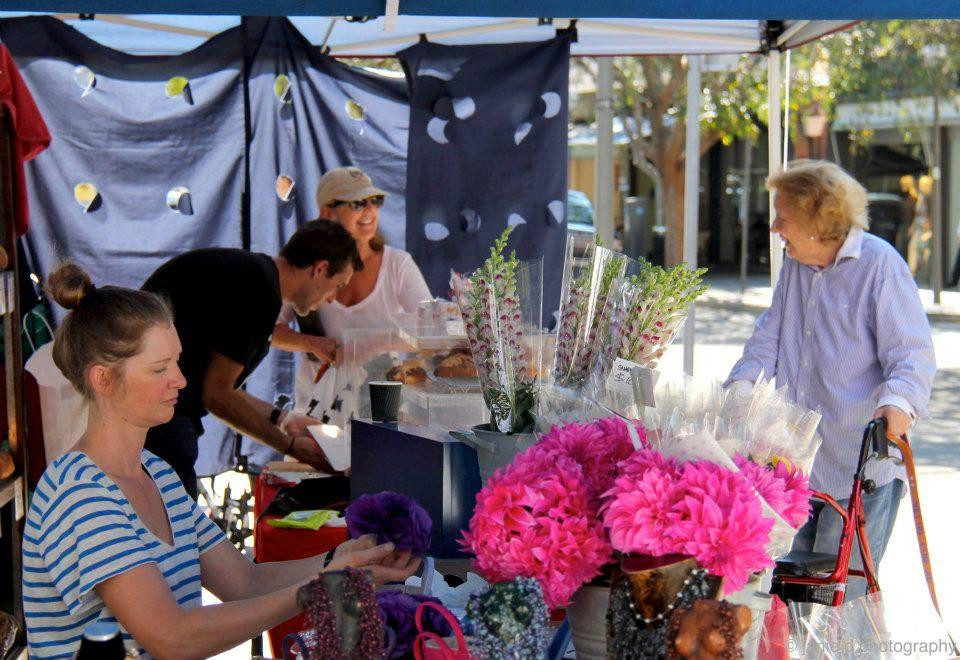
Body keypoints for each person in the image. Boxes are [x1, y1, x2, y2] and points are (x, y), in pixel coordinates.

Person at [23, 264, 419, 659]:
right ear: (103, 380)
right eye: (160, 369)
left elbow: (243, 581)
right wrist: (320, 587)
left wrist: (345, 557)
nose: (180, 380)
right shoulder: (80, 493)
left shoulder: (156, 473)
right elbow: (171, 637)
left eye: (178, 362)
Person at [725, 160, 936, 594]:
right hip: (795, 469)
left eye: (784, 216)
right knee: (786, 597)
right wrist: (742, 386)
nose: (774, 226)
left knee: (844, 604)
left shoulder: (880, 266)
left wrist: (897, 404)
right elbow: (770, 337)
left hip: (858, 470)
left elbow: (911, 356)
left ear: (818, 222)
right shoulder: (797, 266)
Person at [142, 219, 362, 498]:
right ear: (320, 269)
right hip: (156, 423)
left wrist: (283, 418)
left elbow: (221, 389)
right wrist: (289, 446)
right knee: (174, 532)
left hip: (153, 416)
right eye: (337, 285)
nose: (332, 299)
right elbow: (217, 395)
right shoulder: (258, 289)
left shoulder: (253, 275)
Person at [272, 167, 431, 412]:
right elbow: (270, 329)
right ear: (327, 213)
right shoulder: (307, 266)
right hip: (317, 407)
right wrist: (311, 343)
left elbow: (432, 329)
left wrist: (376, 345)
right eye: (357, 204)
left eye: (375, 201)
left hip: (382, 405)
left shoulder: (397, 264)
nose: (370, 211)